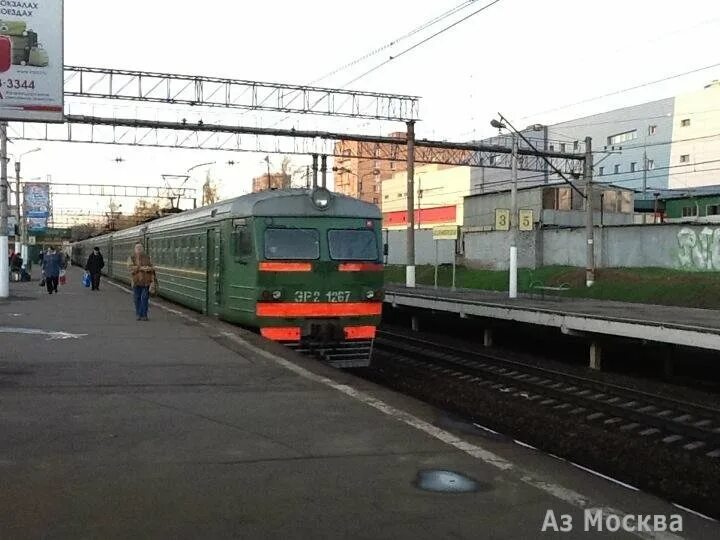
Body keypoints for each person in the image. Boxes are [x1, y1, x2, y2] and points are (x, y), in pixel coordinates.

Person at [128, 243, 156, 321]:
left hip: (146, 282)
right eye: (137, 247)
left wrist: (149, 268)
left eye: (140, 247)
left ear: (143, 249)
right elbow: (130, 268)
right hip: (136, 282)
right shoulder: (131, 258)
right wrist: (140, 268)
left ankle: (144, 315)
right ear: (134, 249)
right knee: (136, 298)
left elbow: (153, 267)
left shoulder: (148, 257)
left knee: (144, 298)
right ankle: (138, 314)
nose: (139, 248)